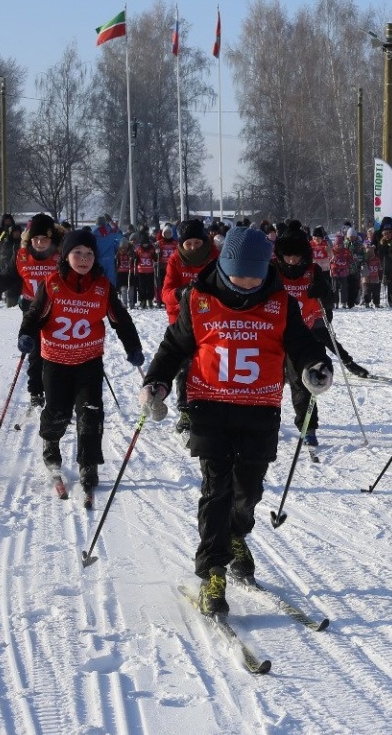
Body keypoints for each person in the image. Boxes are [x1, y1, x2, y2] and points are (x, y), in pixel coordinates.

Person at [141, 226, 332, 614]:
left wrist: (316, 366)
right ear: (224, 267)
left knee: (249, 490)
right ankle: (213, 568)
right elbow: (173, 346)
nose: (247, 283)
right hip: (210, 408)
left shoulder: (280, 302)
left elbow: (302, 344)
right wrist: (157, 382)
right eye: (238, 275)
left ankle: (236, 534)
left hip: (260, 409)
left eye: (254, 275)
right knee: (217, 489)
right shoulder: (198, 299)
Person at [19, 228, 144, 495]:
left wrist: (133, 347)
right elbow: (34, 316)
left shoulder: (102, 286)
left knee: (90, 412)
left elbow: (120, 320)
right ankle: (50, 444)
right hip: (55, 361)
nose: (84, 258)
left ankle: (89, 462)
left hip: (88, 361)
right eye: (78, 253)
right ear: (66, 256)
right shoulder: (52, 284)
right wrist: (27, 336)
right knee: (58, 412)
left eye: (89, 254)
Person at [273, 228, 369, 449]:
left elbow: (329, 297)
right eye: (288, 255)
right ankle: (269, 421)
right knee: (272, 381)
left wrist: (323, 293)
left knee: (302, 382)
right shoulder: (272, 270)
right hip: (275, 333)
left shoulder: (312, 270)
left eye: (296, 255)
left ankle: (308, 428)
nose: (292, 260)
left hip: (304, 332)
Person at [0, 213, 62, 406]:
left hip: (59, 310)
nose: (39, 243)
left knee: (56, 353)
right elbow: (7, 277)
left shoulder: (61, 256)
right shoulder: (22, 255)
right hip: (32, 309)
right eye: (36, 239)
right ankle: (36, 392)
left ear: (51, 239)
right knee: (35, 351)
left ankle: (57, 391)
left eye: (44, 239)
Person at [160, 219, 216, 436]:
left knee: (210, 364)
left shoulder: (216, 256)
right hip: (183, 319)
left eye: (197, 242)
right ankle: (185, 411)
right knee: (184, 366)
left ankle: (211, 406)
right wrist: (180, 293)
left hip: (212, 319)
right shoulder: (176, 260)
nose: (193, 247)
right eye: (188, 243)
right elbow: (166, 293)